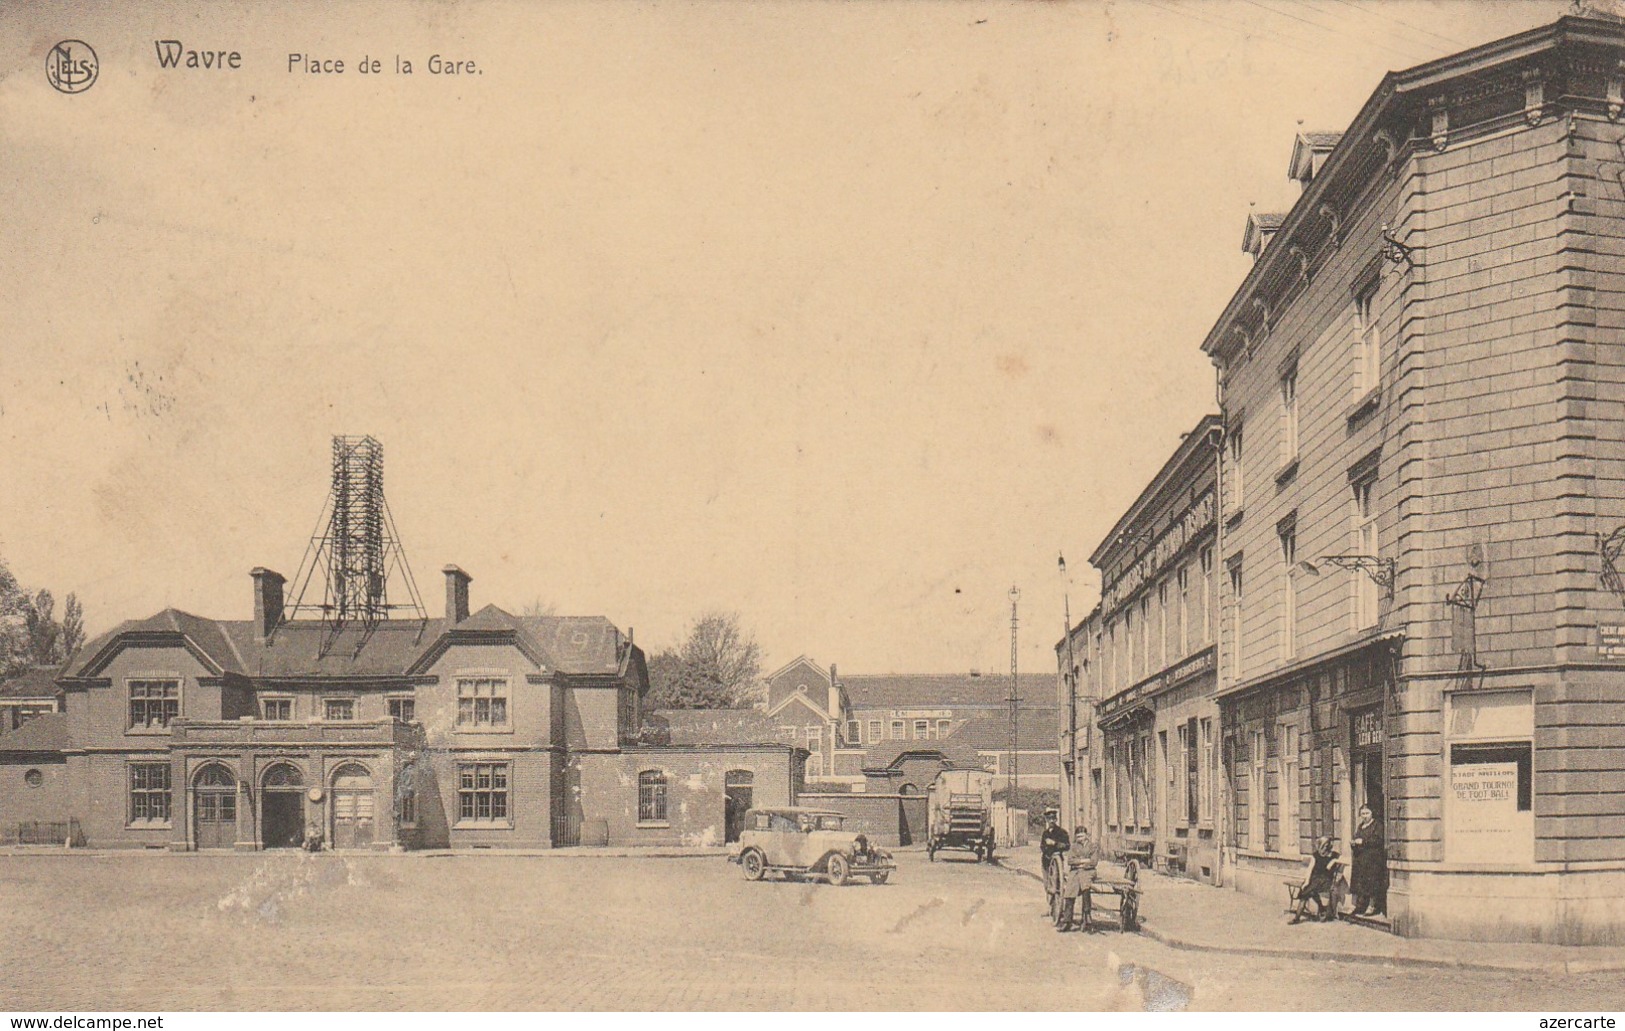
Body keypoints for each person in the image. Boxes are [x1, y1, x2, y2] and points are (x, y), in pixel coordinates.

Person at [1056, 826, 1103, 932]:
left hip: (1088, 871)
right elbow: (1070, 861)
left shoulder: (1093, 846)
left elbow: (1094, 862)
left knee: (1085, 885)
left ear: (1086, 835)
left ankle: (1087, 918)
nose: (1080, 838)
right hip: (1075, 871)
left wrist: (1081, 863)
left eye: (1082, 836)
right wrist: (1084, 860)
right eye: (1078, 837)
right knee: (1069, 890)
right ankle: (1067, 921)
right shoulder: (1073, 847)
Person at [1290, 837, 1340, 924]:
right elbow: (1310, 869)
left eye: (1326, 846)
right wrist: (1306, 881)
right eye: (1322, 846)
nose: (1324, 849)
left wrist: (1334, 861)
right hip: (1315, 879)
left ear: (1329, 846)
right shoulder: (1316, 855)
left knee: (1307, 891)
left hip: (1326, 880)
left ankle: (1299, 917)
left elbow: (1347, 861)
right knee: (1307, 890)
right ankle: (1298, 917)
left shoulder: (1334, 855)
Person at [1350, 804, 1387, 916]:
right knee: (1360, 883)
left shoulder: (1377, 825)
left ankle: (1371, 906)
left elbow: (1378, 841)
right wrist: (1353, 843)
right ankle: (1358, 906)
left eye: (1367, 813)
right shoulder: (1361, 826)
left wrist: (1363, 842)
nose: (1365, 816)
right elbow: (1356, 837)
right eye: (1363, 814)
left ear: (1372, 813)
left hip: (1373, 860)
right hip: (1360, 859)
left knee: (1372, 883)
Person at [1039, 810, 1070, 914]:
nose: (1051, 821)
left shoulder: (1061, 832)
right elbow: (1042, 846)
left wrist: (1055, 843)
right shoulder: (1045, 833)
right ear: (1047, 820)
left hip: (1057, 863)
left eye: (1053, 819)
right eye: (1049, 819)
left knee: (1057, 884)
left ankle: (1058, 908)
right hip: (1046, 862)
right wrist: (1046, 851)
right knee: (1047, 884)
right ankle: (1050, 907)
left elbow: (1067, 845)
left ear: (1056, 819)